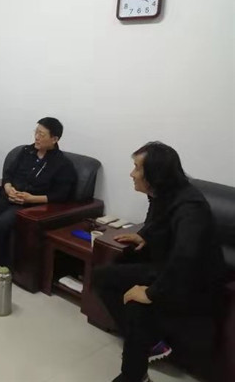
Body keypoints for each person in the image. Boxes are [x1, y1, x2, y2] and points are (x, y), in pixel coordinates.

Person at [92, 142, 225, 382]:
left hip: (193, 280)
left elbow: (187, 257)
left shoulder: (191, 207)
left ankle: (133, 375)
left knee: (138, 304)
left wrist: (151, 292)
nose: (131, 174)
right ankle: (152, 343)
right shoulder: (161, 193)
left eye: (137, 168)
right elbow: (157, 222)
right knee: (103, 277)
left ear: (155, 174)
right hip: (167, 265)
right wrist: (145, 236)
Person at [0, 117, 77, 281]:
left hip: (28, 207)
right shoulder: (26, 152)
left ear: (54, 139)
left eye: (42, 134)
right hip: (7, 198)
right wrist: (8, 187)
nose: (36, 137)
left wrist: (32, 198)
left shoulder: (63, 164)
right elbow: (8, 173)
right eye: (36, 132)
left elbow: (61, 194)